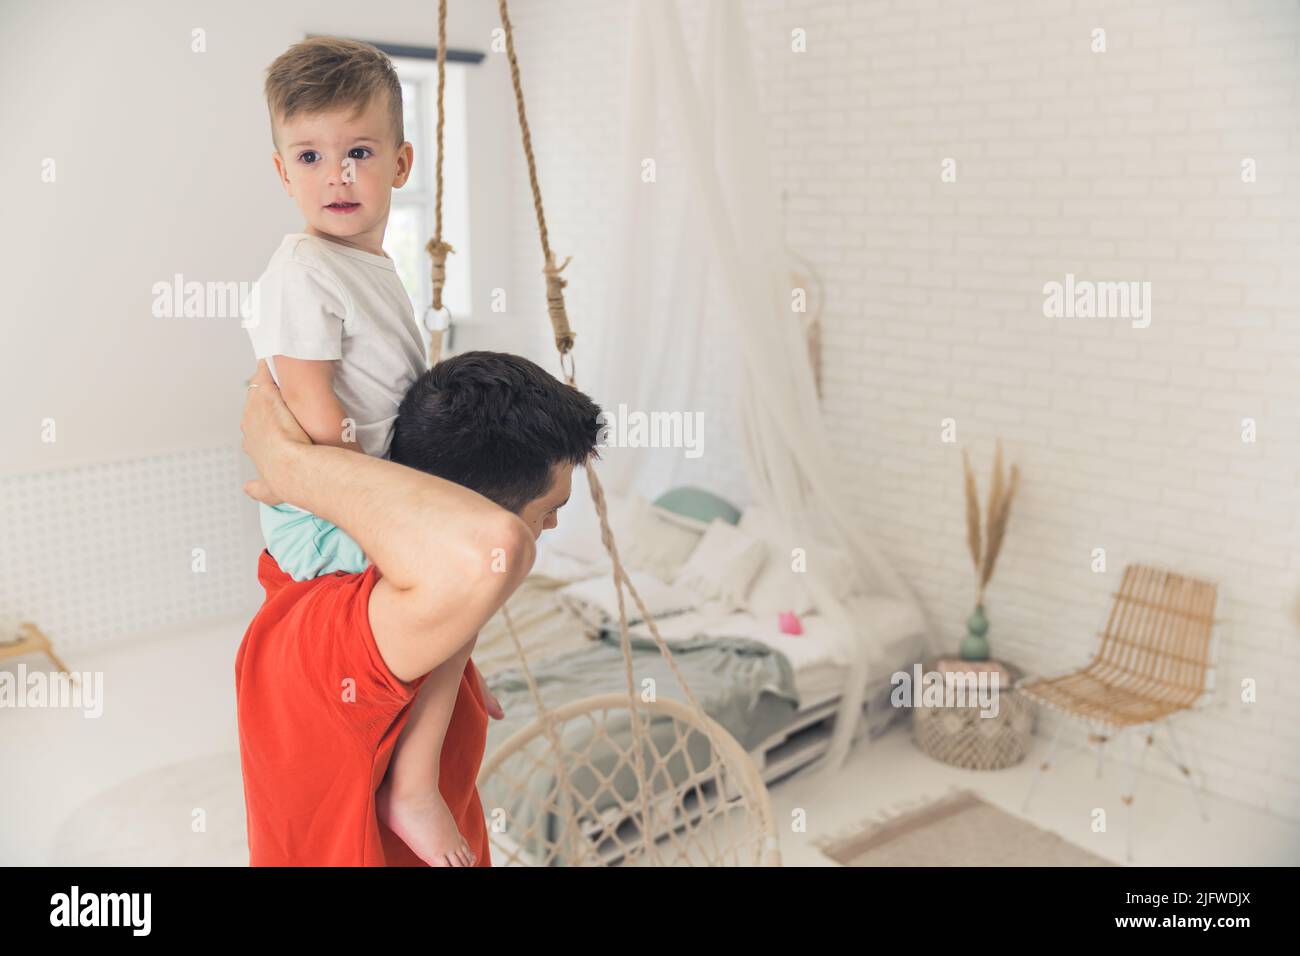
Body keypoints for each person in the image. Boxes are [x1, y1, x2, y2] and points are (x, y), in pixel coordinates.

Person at [236, 348, 602, 866]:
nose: (551, 527)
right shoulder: (326, 633)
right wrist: (288, 463)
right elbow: (497, 551)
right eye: (548, 510)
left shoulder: (404, 604)